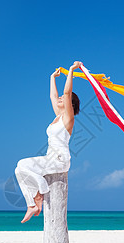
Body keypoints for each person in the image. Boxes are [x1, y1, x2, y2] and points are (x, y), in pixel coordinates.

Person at [15, 61, 82, 223]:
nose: (59, 98)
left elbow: (66, 93)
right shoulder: (57, 117)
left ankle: (40, 193)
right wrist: (52, 77)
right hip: (49, 157)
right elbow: (53, 96)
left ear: (70, 105)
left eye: (63, 99)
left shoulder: (68, 119)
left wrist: (71, 71)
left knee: (22, 165)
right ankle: (33, 203)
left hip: (60, 159)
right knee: (19, 169)